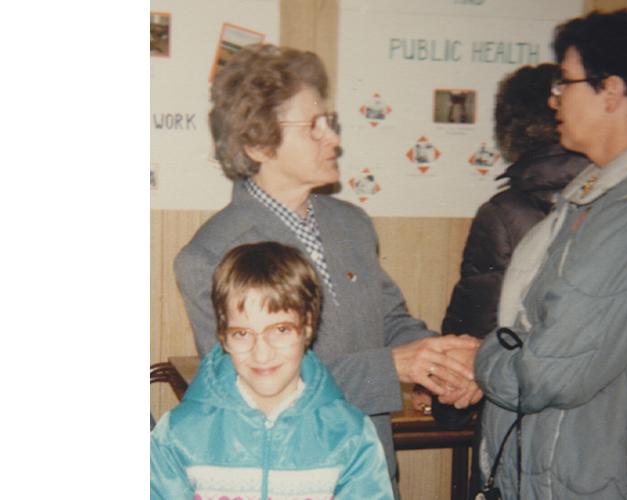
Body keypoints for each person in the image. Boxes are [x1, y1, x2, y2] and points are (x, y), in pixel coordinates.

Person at [173, 44, 482, 496]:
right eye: (313, 127)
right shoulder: (210, 254)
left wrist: (443, 366)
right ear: (258, 144)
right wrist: (390, 368)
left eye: (329, 124)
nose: (333, 139)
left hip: (367, 471)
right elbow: (249, 387)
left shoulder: (349, 223)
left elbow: (391, 322)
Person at [473, 10, 627, 500]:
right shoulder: (603, 194)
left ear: (611, 91)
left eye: (563, 83)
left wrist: (479, 359)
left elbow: (549, 374)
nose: (555, 99)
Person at [433, 63, 591, 497]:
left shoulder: (503, 214)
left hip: (522, 434)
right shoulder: (619, 198)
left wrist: (447, 409)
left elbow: (477, 325)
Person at [152, 242, 394, 499]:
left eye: (280, 330)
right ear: (223, 337)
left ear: (308, 327)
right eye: (242, 333)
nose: (262, 354)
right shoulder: (177, 434)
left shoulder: (350, 435)